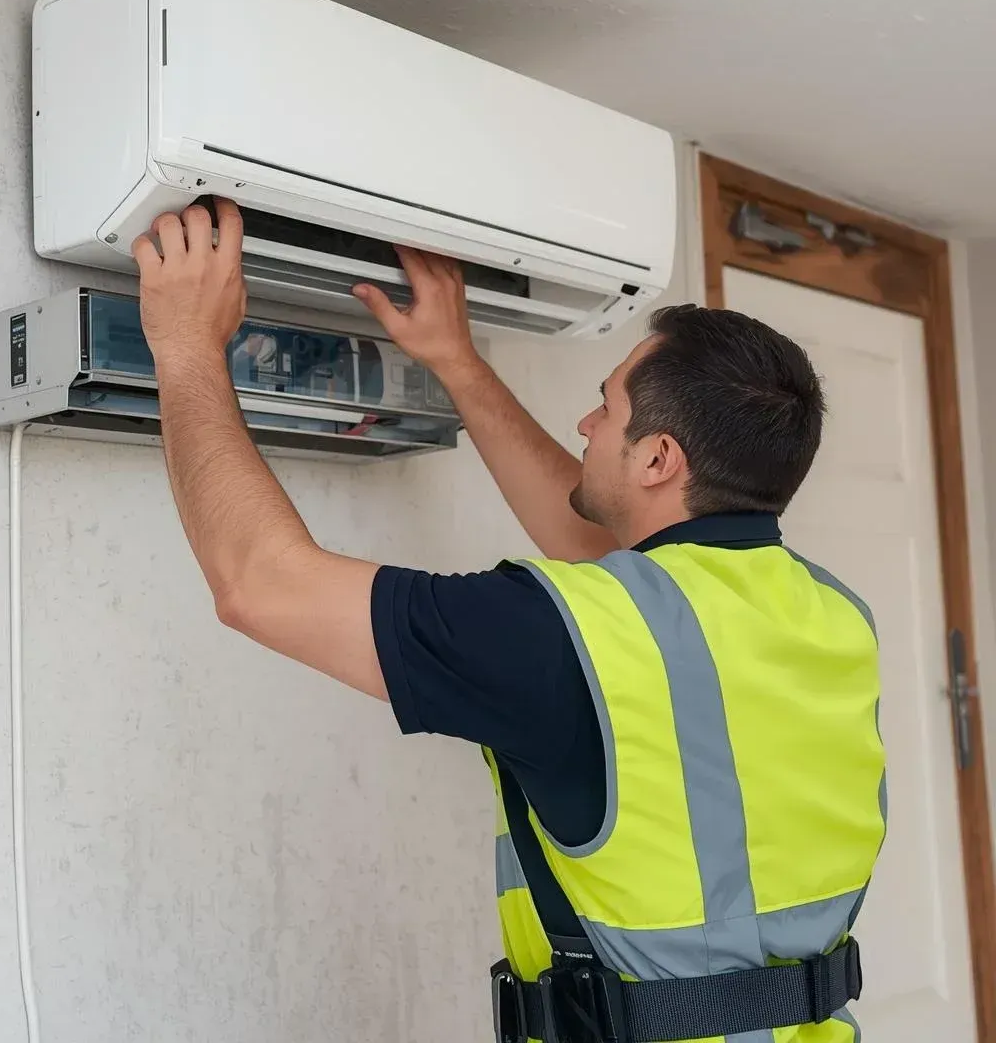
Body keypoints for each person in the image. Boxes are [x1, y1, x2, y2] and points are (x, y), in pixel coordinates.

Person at [131, 200, 885, 1043]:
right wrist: (457, 361)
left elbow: (259, 584)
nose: (586, 424)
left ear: (658, 458)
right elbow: (609, 553)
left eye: (606, 408)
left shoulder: (571, 634)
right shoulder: (833, 617)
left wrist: (186, 345)